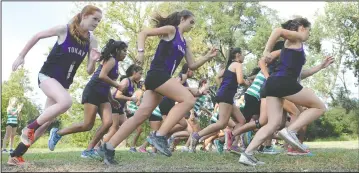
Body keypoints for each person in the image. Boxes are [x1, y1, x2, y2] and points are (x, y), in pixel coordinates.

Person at [98, 9, 217, 165]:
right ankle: (159, 136)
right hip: (157, 74)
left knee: (140, 116)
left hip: (162, 79)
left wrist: (207, 56)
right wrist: (140, 52)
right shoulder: (171, 30)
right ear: (182, 19)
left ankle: (108, 147)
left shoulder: (184, 42)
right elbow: (143, 33)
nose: (193, 26)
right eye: (191, 22)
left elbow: (192, 65)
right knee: (188, 100)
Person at [8, 5, 102, 166]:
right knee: (66, 102)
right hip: (47, 76)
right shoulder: (64, 29)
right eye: (95, 19)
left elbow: (88, 71)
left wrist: (93, 59)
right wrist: (21, 56)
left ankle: (15, 156)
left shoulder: (92, 40)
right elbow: (37, 35)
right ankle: (29, 128)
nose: (97, 23)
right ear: (84, 16)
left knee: (44, 124)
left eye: (99, 21)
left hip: (63, 84)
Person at [239, 17, 328, 166]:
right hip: (283, 82)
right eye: (308, 30)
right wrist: (267, 50)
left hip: (274, 84)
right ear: (301, 27)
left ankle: (247, 154)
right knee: (319, 107)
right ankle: (291, 131)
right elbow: (277, 31)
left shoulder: (292, 44)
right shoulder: (299, 37)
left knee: (272, 124)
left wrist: (320, 66)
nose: (308, 34)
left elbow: (301, 74)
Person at [47, 39, 128, 158]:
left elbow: (106, 83)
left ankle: (89, 150)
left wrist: (111, 99)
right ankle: (57, 133)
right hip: (93, 91)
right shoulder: (111, 60)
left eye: (126, 51)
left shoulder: (116, 63)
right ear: (117, 50)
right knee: (87, 125)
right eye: (124, 50)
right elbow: (101, 76)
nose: (126, 53)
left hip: (103, 94)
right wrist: (118, 86)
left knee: (108, 122)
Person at [190, 47, 248, 152]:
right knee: (222, 123)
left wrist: (221, 86)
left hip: (226, 95)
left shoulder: (229, 66)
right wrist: (247, 83)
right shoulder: (237, 64)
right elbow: (240, 81)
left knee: (241, 120)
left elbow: (217, 76)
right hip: (226, 95)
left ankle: (231, 144)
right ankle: (197, 136)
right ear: (238, 55)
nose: (244, 56)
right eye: (243, 54)